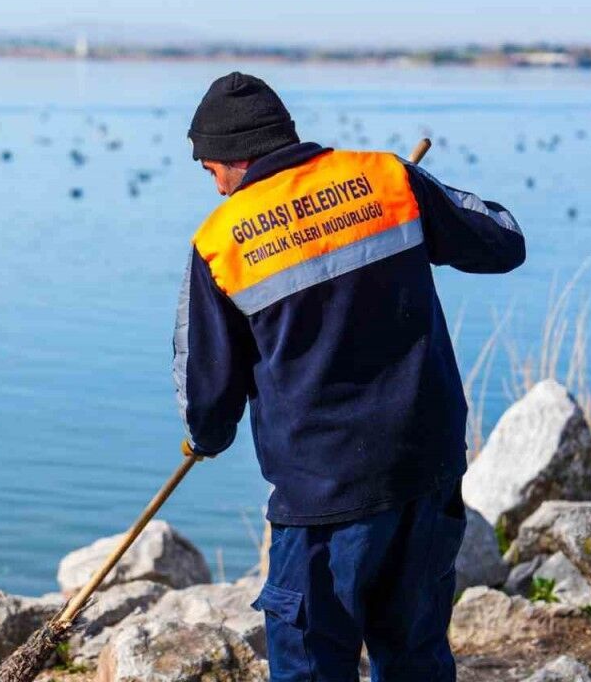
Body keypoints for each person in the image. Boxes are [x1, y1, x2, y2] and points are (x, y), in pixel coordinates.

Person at [173, 71, 525, 681]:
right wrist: (416, 201)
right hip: (425, 471)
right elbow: (503, 240)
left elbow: (207, 398)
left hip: (323, 500)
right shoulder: (387, 178)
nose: (216, 187)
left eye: (211, 171)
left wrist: (204, 439)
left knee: (312, 668)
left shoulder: (220, 244)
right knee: (415, 659)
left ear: (236, 157)